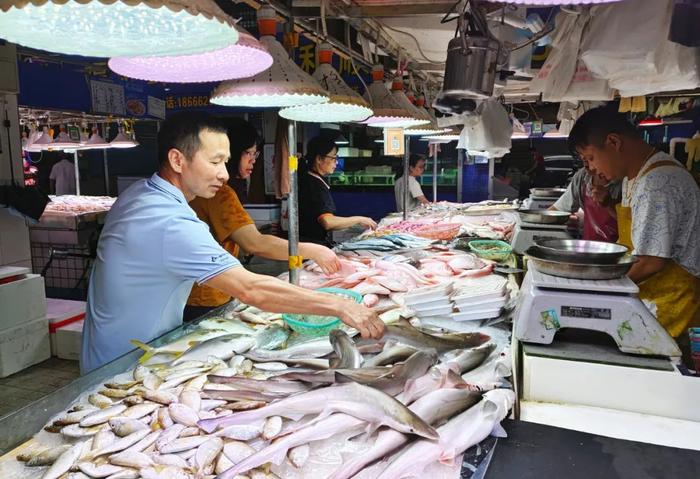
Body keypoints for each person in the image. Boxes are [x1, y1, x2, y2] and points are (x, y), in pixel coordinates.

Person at [80, 112, 384, 373]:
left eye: (226, 161)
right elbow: (251, 288)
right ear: (177, 159)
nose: (224, 174)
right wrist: (339, 306)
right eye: (215, 162)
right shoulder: (169, 222)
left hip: (111, 354)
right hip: (124, 367)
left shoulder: (139, 193)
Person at [185, 119, 341, 321]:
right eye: (248, 153)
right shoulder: (220, 193)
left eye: (255, 154)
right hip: (208, 295)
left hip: (200, 288)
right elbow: (254, 243)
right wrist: (313, 250)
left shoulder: (210, 191)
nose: (253, 160)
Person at [568, 107, 700, 340]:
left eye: (590, 158)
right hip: (648, 295)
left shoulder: (658, 183)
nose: (591, 168)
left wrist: (597, 289)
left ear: (613, 142)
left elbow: (650, 261)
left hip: (671, 302)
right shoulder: (634, 178)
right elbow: (635, 239)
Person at [298, 135, 376, 246]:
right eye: (333, 158)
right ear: (319, 159)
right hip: (313, 246)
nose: (337, 162)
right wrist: (359, 219)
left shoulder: (309, 179)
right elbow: (327, 222)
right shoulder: (315, 185)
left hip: (308, 244)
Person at [550, 160, 621, 242]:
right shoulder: (582, 177)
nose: (586, 164)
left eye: (591, 158)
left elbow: (631, 223)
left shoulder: (623, 179)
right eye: (583, 158)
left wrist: (609, 204)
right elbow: (557, 210)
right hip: (588, 247)